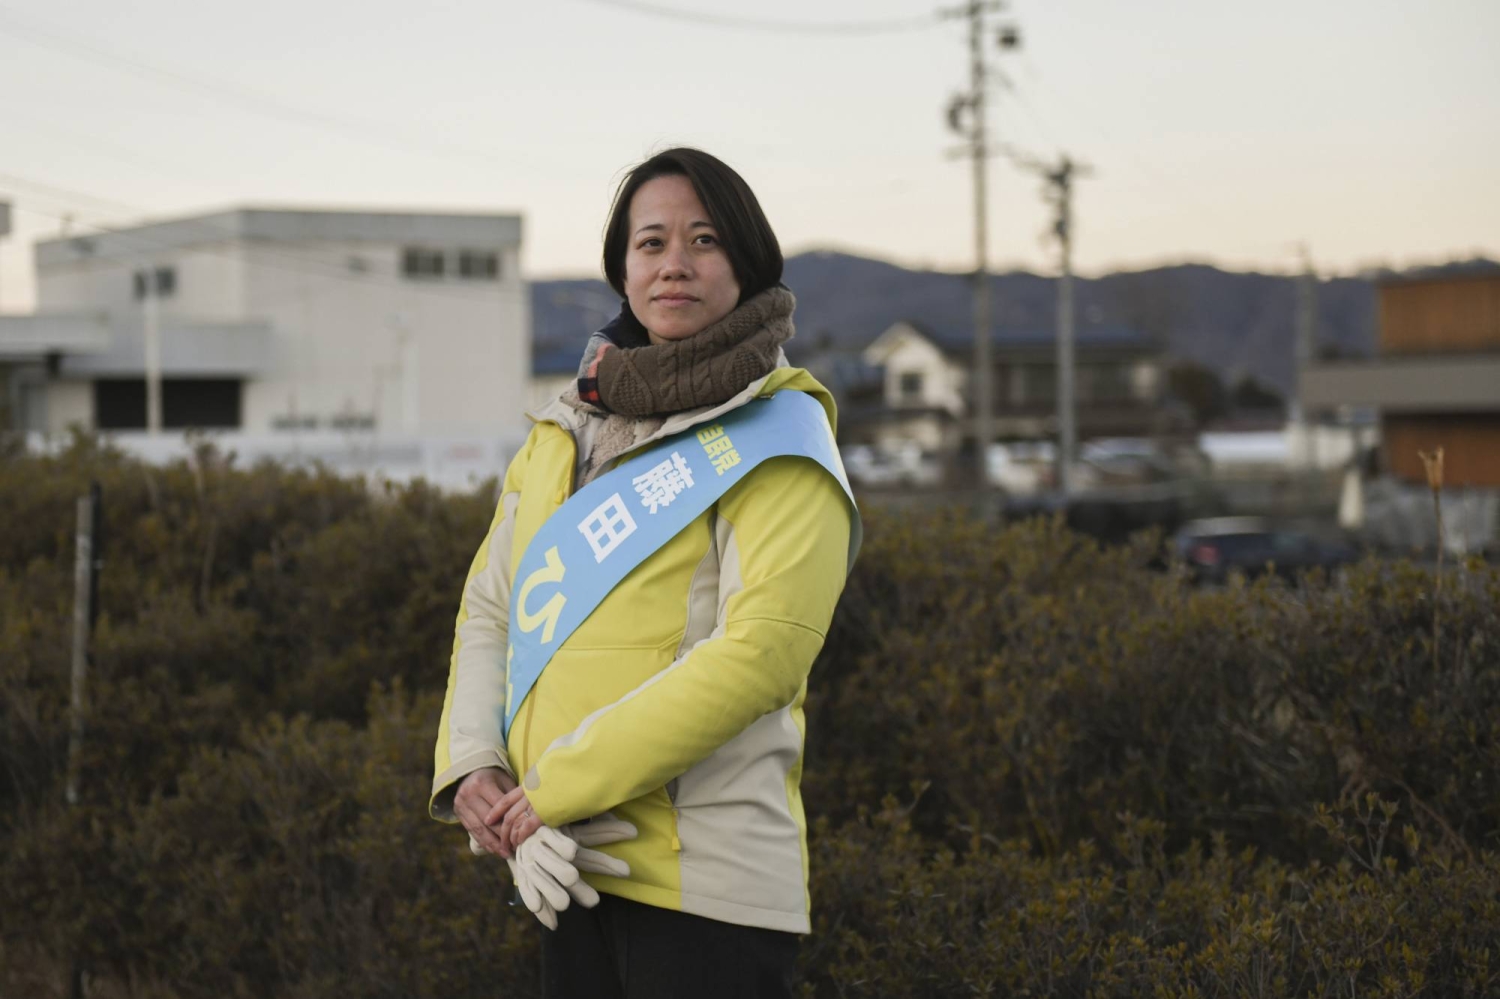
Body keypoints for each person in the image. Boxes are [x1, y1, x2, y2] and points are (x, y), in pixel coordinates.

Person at [429, 147, 859, 998]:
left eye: (705, 240)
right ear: (622, 269)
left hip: (709, 889)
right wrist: (476, 766)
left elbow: (762, 654)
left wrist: (554, 786)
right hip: (562, 861)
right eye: (651, 242)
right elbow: (492, 611)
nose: (675, 264)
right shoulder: (564, 431)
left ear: (747, 261)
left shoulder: (782, 433)